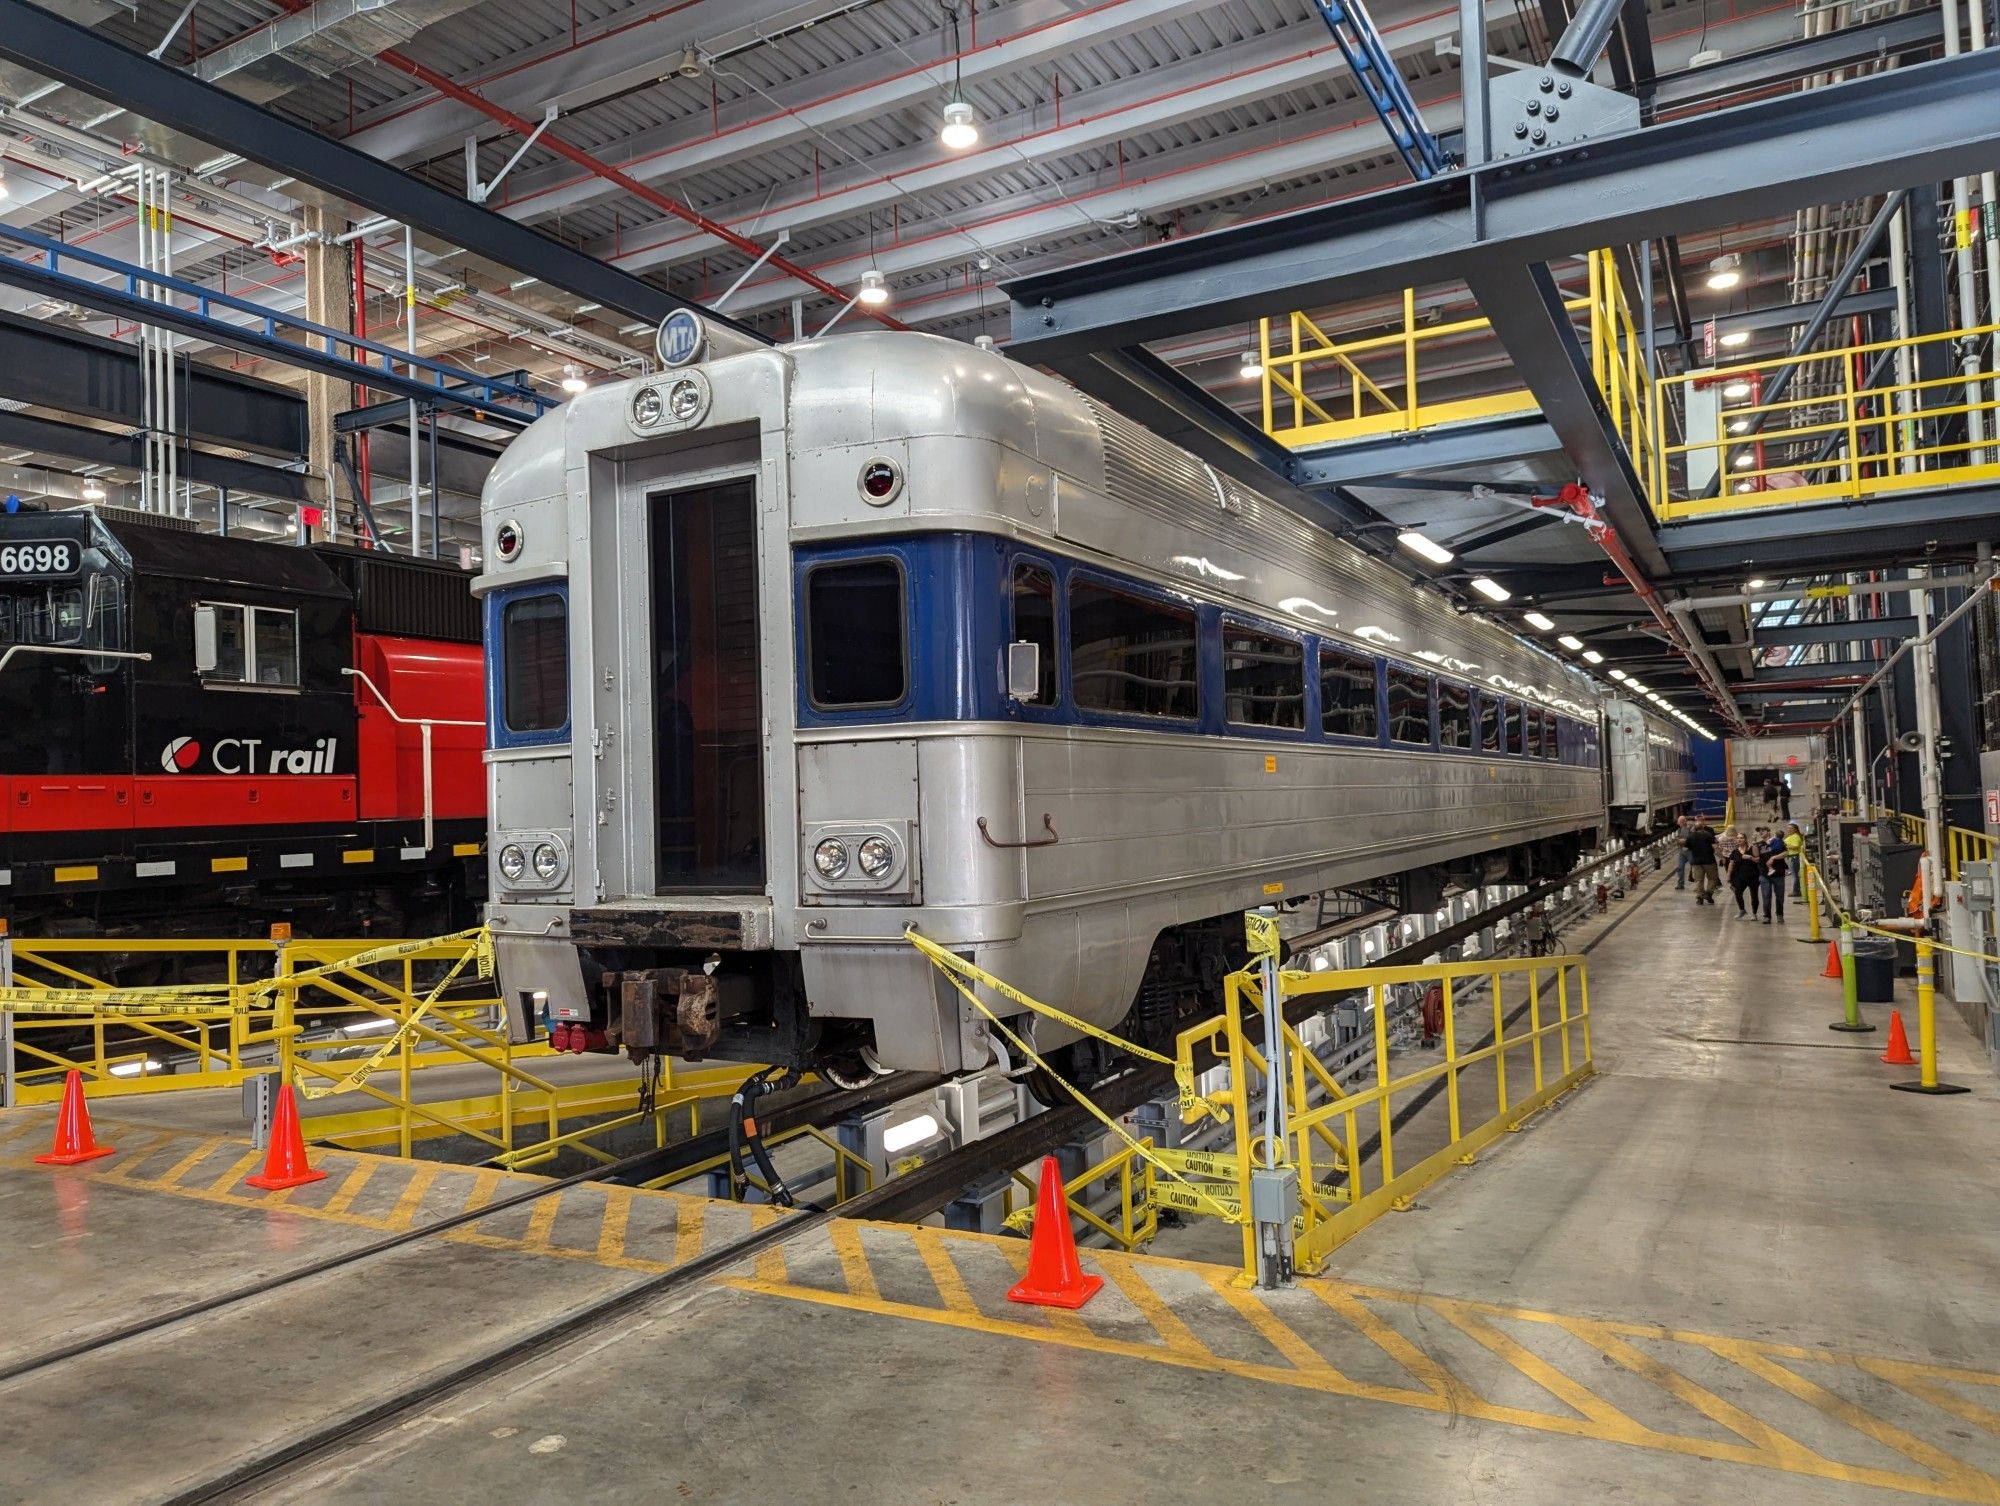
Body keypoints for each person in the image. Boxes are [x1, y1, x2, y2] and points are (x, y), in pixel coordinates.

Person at [1684, 816, 1720, 905]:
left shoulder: (1690, 836)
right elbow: (1715, 847)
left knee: (1699, 880)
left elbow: (1685, 849)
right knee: (1712, 878)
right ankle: (1708, 893)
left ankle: (1700, 898)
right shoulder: (1709, 835)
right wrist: (1721, 857)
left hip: (1696, 862)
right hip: (1709, 861)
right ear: (1702, 827)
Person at [1758, 826, 1788, 924]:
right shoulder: (1759, 845)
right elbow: (1756, 857)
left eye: (1763, 831)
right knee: (1766, 896)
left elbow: (1785, 853)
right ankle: (1767, 916)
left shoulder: (1777, 841)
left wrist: (1774, 857)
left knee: (1779, 896)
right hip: (1764, 874)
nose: (1761, 833)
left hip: (1778, 873)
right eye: (1759, 831)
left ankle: (1779, 914)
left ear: (1768, 831)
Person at [1727, 837, 1763, 918]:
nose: (1739, 840)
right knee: (1737, 892)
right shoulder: (1735, 852)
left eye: (1741, 838)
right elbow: (1731, 864)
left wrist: (1750, 857)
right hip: (1740, 876)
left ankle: (1754, 914)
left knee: (1754, 894)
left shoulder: (1752, 848)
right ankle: (1742, 910)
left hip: (1753, 876)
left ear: (1745, 839)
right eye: (1738, 838)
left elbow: (1758, 860)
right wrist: (1728, 875)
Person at [1784, 823, 1806, 897]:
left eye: (1791, 828)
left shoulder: (1795, 837)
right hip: (1792, 857)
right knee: (1795, 875)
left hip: (1794, 857)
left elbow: (1796, 846)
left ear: (1795, 830)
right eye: (1788, 828)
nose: (1789, 829)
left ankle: (1796, 891)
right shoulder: (1792, 836)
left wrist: (1785, 846)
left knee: (1795, 875)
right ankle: (1797, 890)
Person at [1673, 813, 1691, 890]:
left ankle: (1698, 883)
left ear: (1684, 822)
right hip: (1682, 852)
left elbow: (1693, 839)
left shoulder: (1690, 829)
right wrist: (1678, 840)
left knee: (1695, 868)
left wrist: (1684, 841)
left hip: (1690, 851)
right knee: (1680, 868)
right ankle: (1680, 884)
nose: (1679, 824)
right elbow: (1678, 839)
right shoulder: (1680, 829)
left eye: (1679, 823)